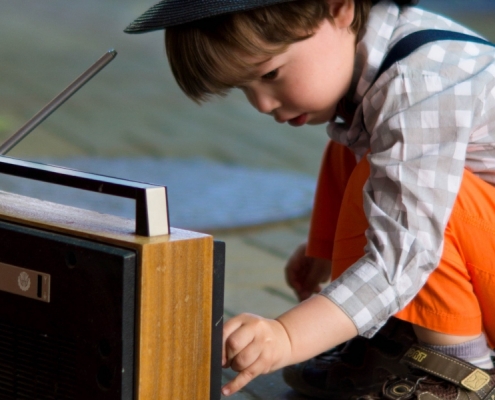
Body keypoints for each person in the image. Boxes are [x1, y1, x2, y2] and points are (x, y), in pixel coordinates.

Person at [125, 1, 495, 398]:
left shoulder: (418, 86)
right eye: (244, 88)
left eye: (270, 73)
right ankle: (396, 338)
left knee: (425, 191)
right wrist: (326, 253)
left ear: (339, 9)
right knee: (364, 153)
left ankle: (461, 371)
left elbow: (402, 258)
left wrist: (286, 336)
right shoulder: (393, 50)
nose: (262, 104)